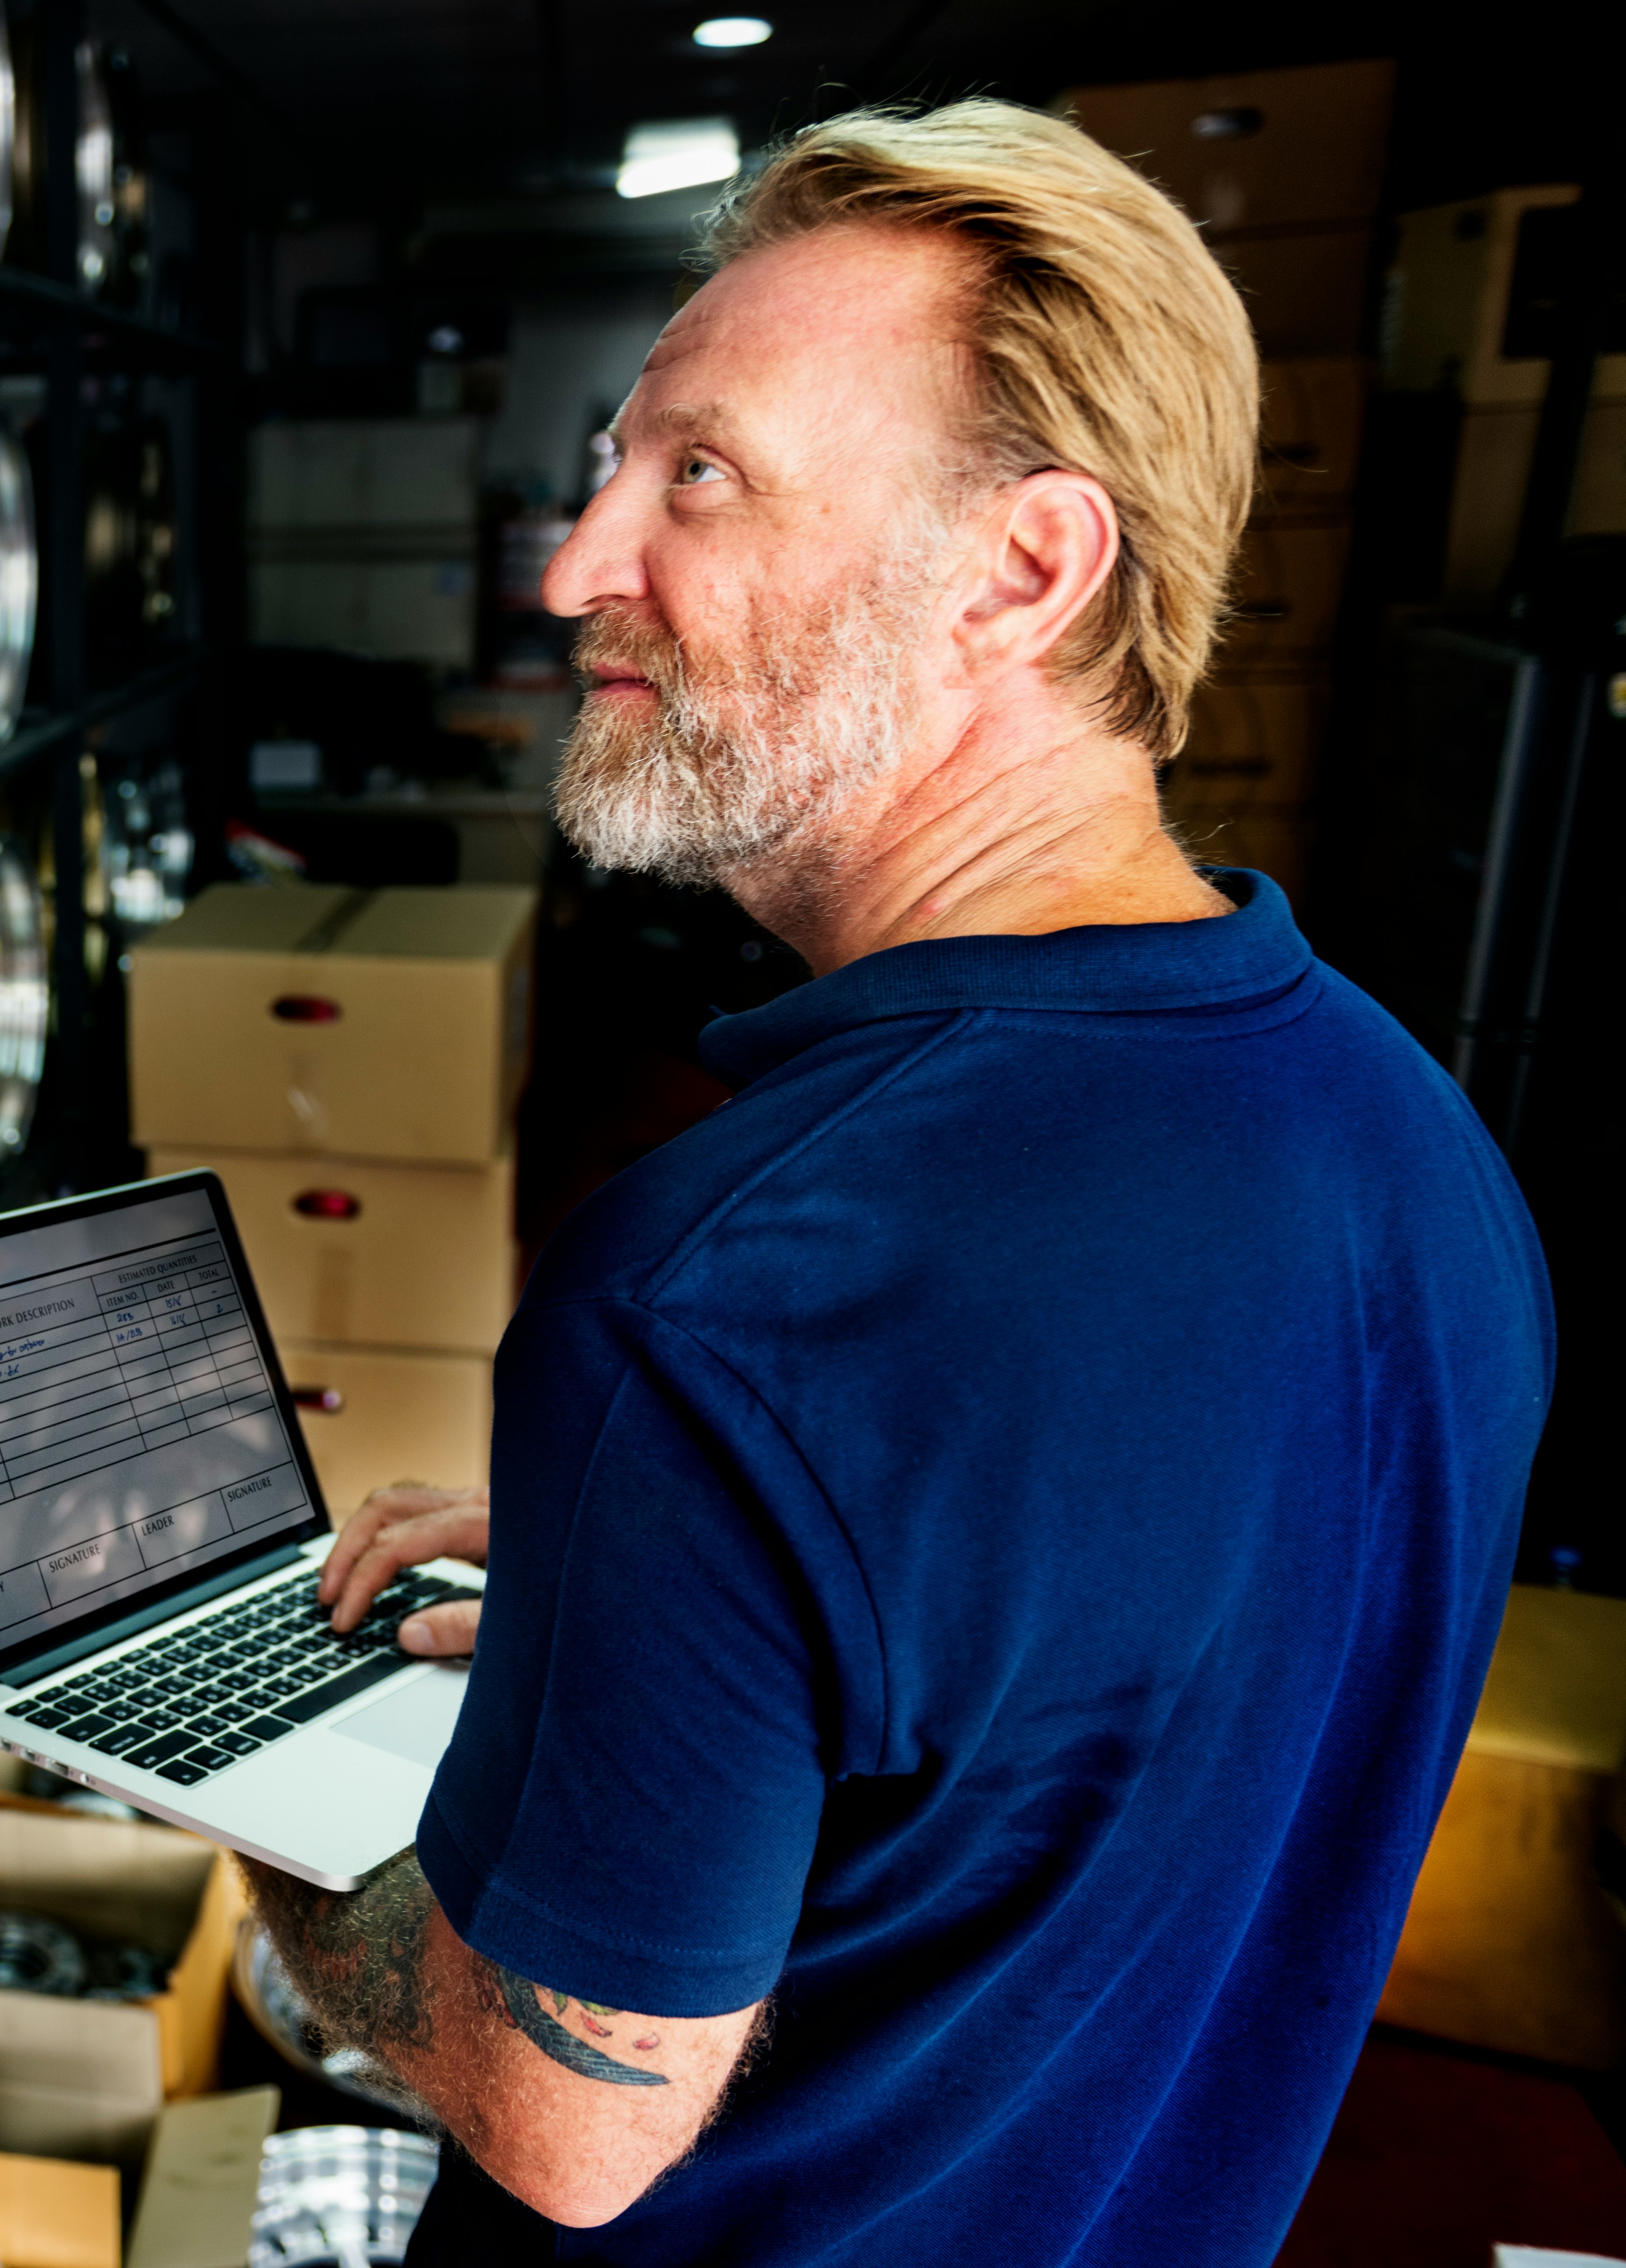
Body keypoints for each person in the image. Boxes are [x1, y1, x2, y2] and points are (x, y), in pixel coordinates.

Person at [234, 99, 1553, 2266]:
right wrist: (664, 1601)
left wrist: (262, 1803)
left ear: (1022, 570)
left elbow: (561, 2112)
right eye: (610, 466)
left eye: (698, 475)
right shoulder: (1418, 1159)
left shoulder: (726, 1301)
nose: (578, 569)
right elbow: (1084, 1679)